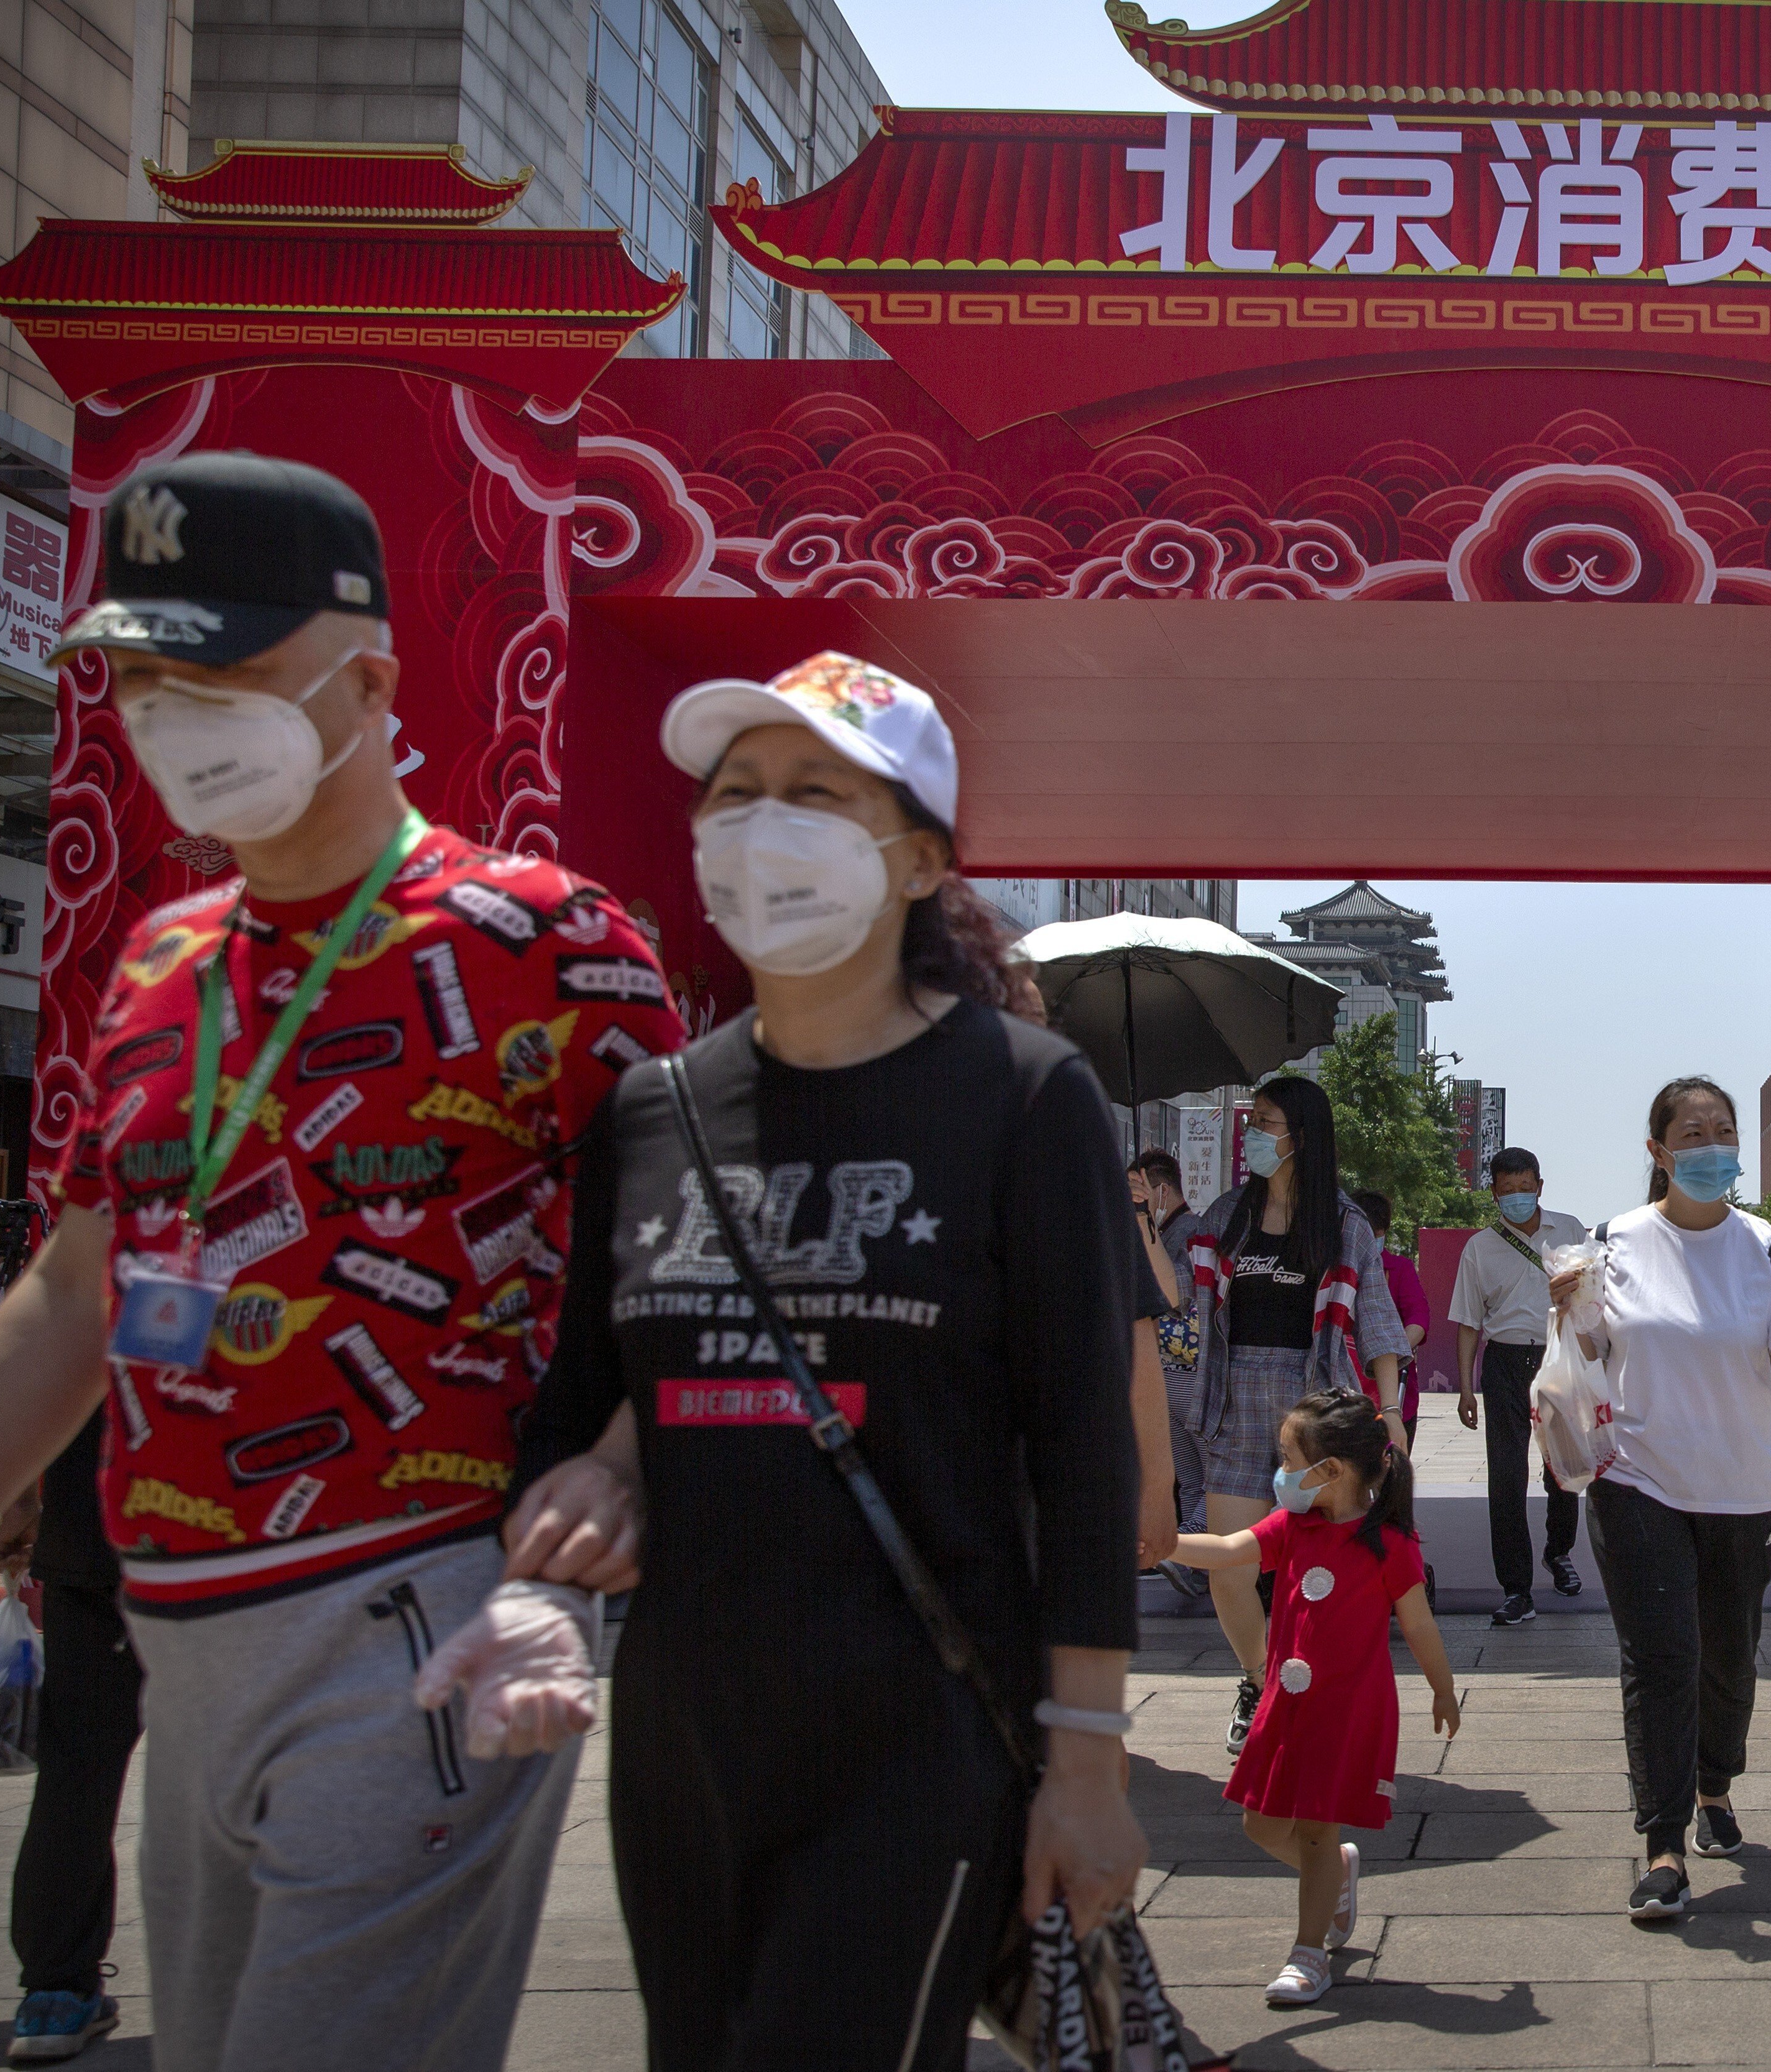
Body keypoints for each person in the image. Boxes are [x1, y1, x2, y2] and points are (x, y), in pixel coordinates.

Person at [0, 452, 686, 2072]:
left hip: (416, 1620)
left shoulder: (548, 946)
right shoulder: (163, 959)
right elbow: (75, 1289)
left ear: (367, 676)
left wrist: (626, 1453)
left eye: (220, 667)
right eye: (147, 674)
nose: (173, 710)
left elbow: (710, 1258)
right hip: (175, 1642)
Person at [495, 651, 1147, 2067]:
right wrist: (579, 1502)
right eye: (734, 795)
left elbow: (1088, 1449)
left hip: (917, 1736)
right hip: (680, 1743)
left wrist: (1087, 1760)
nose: (760, 825)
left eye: (813, 794)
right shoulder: (651, 1111)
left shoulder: (1025, 1098)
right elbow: (579, 1408)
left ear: (916, 862)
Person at [1557, 1078, 1771, 1923]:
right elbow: (1586, 1353)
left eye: (1723, 1132)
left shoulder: (1768, 1249)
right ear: (1658, 1152)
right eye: (1692, 1132)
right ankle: (1664, 1843)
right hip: (1635, 1478)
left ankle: (1716, 1781)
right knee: (1663, 1654)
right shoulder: (1610, 1244)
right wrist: (1567, 1314)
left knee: (1729, 1651)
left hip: (1747, 1486)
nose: (1712, 1147)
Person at [1169, 1389, 1460, 2007]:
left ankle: (1309, 1954)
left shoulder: (1388, 1543)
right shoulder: (1292, 1527)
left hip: (1347, 1709)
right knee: (1259, 1822)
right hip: (1285, 1704)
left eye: (1287, 1458)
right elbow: (1226, 1551)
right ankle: (1334, 1877)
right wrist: (1162, 1543)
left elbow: (1419, 1626)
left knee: (1316, 1832)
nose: (1280, 1473)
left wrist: (1442, 1689)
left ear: (1328, 1472)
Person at [1185, 1077, 1410, 1756]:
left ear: (1301, 1136)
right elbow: (1172, 1294)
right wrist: (1139, 1219)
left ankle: (1312, 1684)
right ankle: (1261, 1682)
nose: (1252, 1133)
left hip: (1313, 1405)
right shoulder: (1225, 1214)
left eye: (1266, 1122)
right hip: (1233, 1397)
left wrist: (1390, 1409)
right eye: (1251, 1120)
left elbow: (1376, 1318)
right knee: (1227, 1567)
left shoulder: (1342, 1225)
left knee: (1310, 1568)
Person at [6, 1417, 139, 2063]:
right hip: (235, 1549)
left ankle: (55, 1993)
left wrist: (20, 1510)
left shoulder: (90, 1307)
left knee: (76, 1776)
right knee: (241, 1768)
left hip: (91, 1542)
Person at [1448, 1148, 1588, 1624]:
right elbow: (1468, 1322)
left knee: (1563, 1468)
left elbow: (1595, 1297)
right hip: (1505, 1363)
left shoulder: (1570, 1230)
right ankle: (1516, 1588)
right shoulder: (1479, 1248)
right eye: (1506, 1191)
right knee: (1507, 1475)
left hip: (1558, 1357)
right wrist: (1467, 1388)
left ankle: (1559, 1551)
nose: (1517, 1198)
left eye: (1524, 1188)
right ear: (1493, 1193)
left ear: (1540, 1186)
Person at [1133, 1149, 1209, 1536]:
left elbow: (1178, 1293)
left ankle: (1187, 1552)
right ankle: (1194, 1563)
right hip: (1167, 1370)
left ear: (1160, 1191)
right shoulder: (1160, 1230)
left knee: (1209, 1476)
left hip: (1190, 1370)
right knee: (1191, 1476)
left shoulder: (1192, 1232)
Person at [1352, 1190, 1434, 1430]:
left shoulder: (1399, 1268)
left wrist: (1389, 1353)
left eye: (1377, 1234)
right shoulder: (1335, 1269)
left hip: (1395, 1391)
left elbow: (1419, 1318)